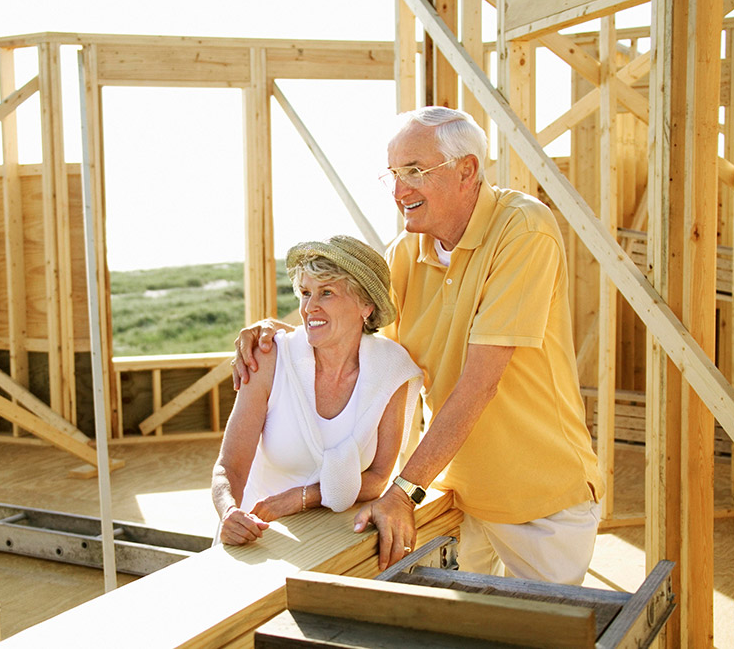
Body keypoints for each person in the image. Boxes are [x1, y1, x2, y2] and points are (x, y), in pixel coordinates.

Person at [233, 106, 604, 585]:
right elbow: (353, 332)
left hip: (538, 497)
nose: (399, 190)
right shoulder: (406, 252)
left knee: (548, 636)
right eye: (393, 174)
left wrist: (403, 490)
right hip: (451, 489)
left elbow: (480, 382)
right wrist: (278, 334)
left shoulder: (523, 230)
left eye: (414, 172)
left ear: (467, 170)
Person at [212, 235, 423, 546]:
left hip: (338, 538)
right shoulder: (269, 359)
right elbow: (228, 468)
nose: (309, 307)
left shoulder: (391, 369)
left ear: (366, 305)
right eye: (305, 292)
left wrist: (301, 498)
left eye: (327, 293)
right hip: (259, 534)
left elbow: (378, 478)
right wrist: (228, 512)